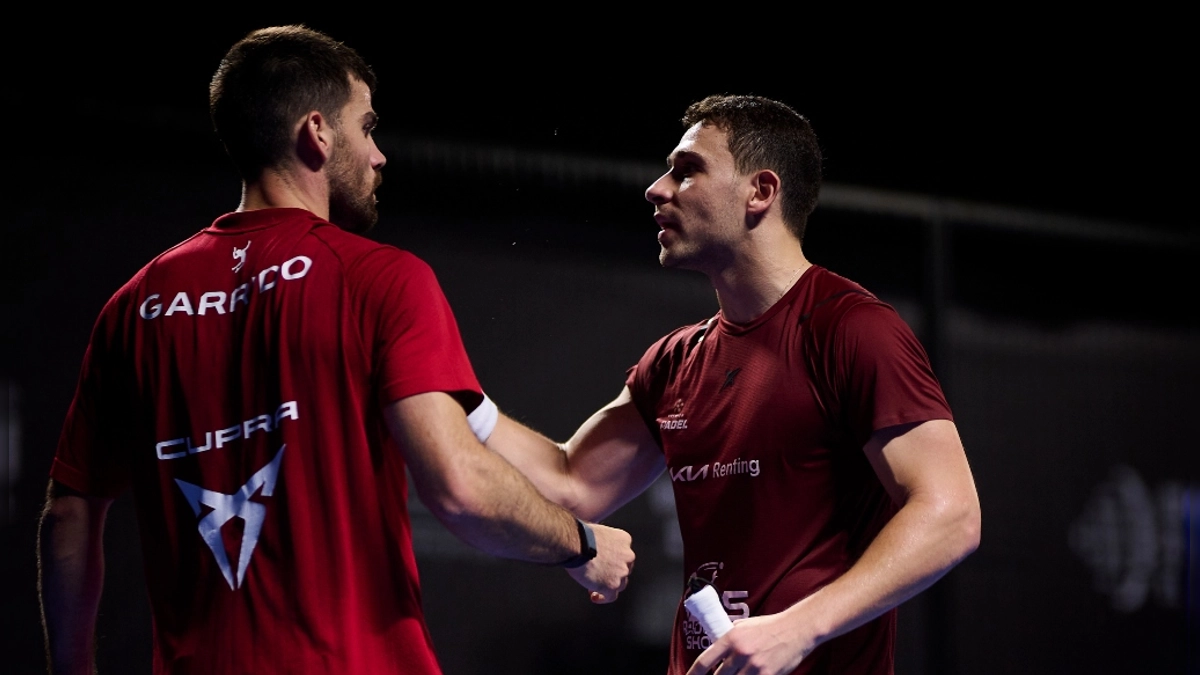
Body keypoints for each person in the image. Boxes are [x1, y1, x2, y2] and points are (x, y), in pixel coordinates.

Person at [37, 25, 634, 675]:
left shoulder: (135, 306)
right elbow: (462, 488)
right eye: (366, 127)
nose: (378, 155)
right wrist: (581, 545)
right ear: (317, 132)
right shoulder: (379, 278)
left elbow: (69, 511)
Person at [486, 94, 981, 674]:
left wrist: (798, 628)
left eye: (687, 170)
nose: (657, 189)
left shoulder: (852, 330)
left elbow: (951, 515)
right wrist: (452, 399)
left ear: (760, 192)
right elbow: (570, 485)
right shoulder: (673, 362)